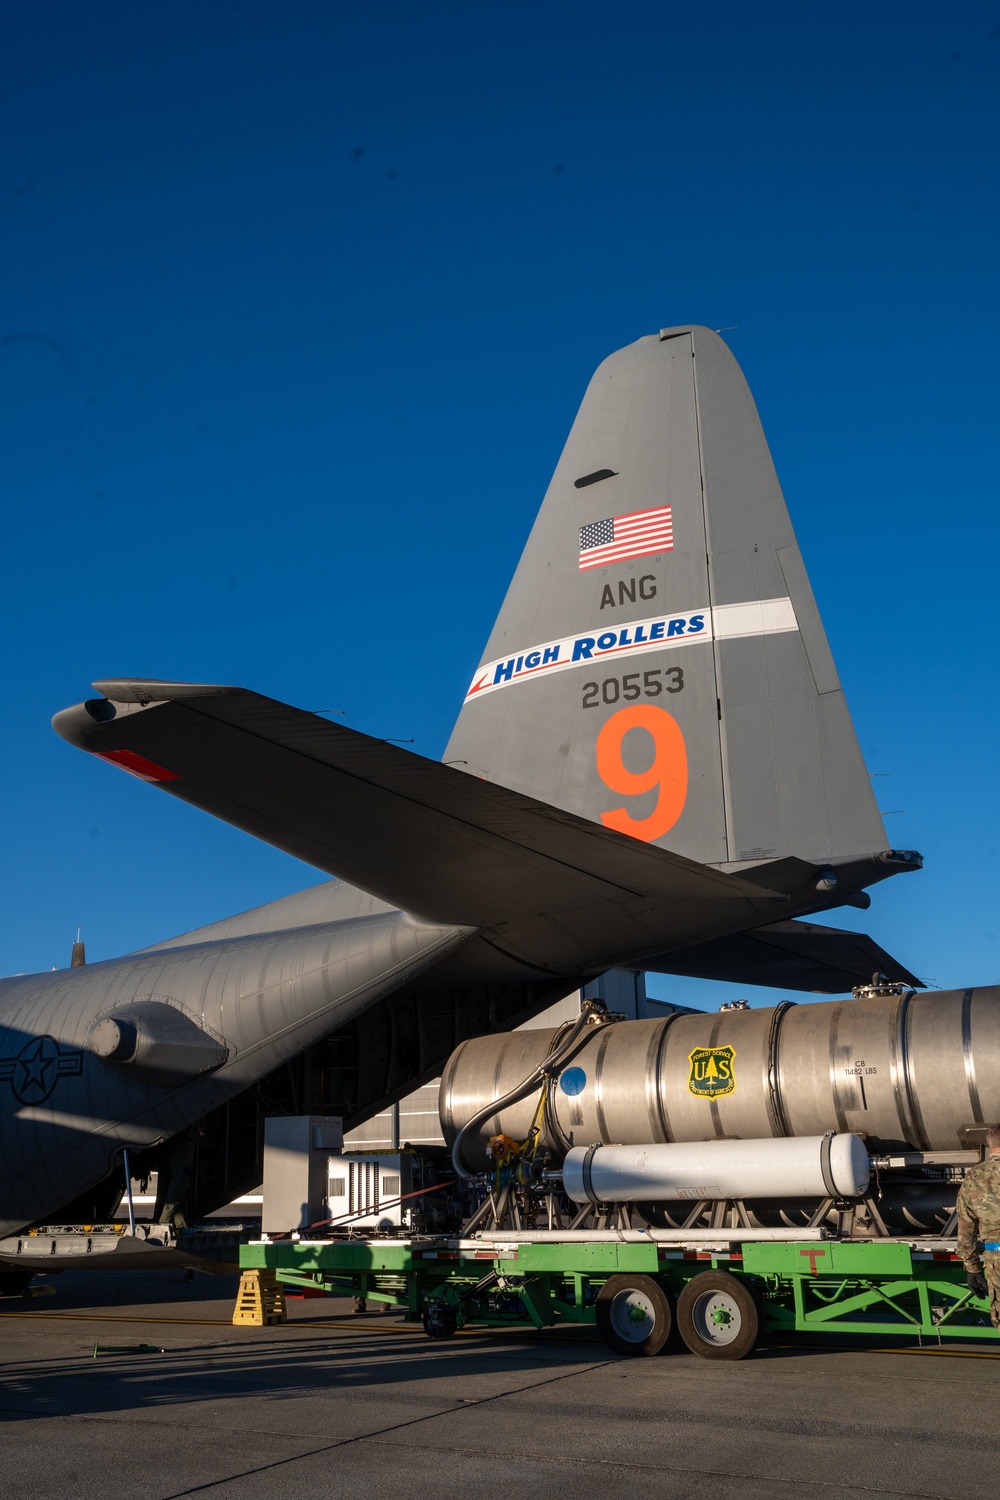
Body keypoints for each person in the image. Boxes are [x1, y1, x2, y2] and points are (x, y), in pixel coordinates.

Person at [955, 1124, 1000, 1328]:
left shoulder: (974, 1176)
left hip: (995, 1259)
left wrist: (972, 1269)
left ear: (990, 1145)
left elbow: (966, 1225)